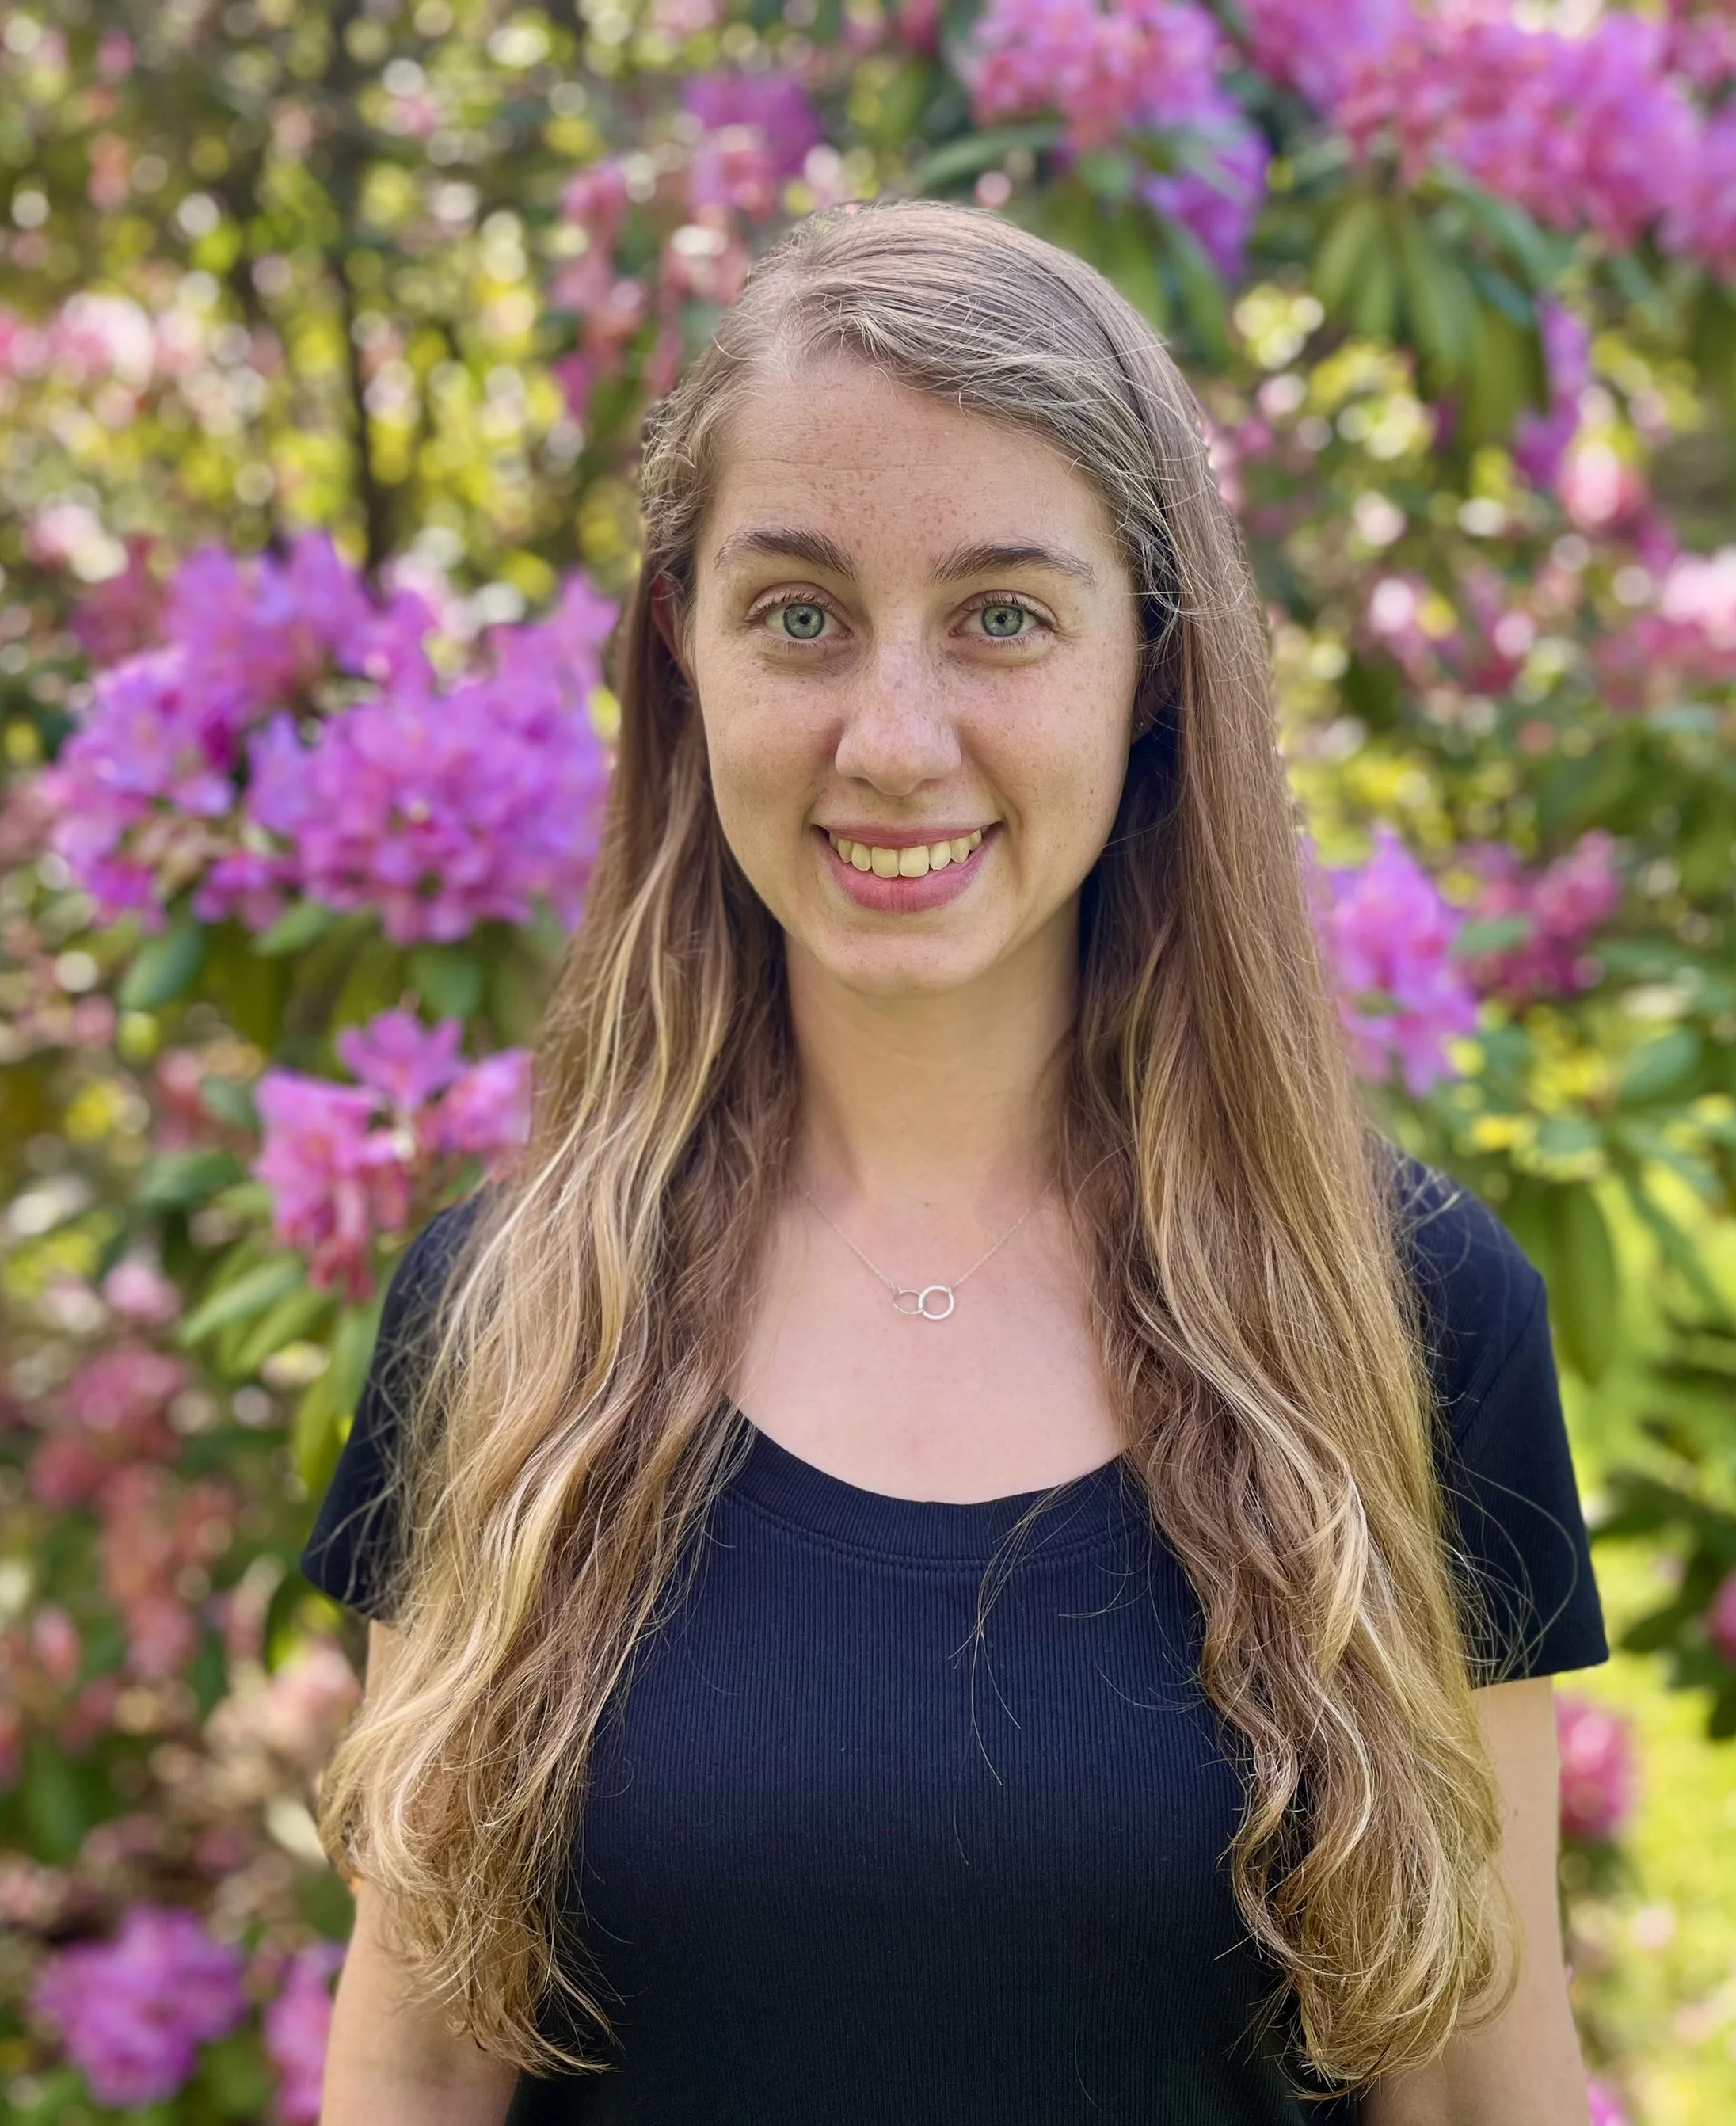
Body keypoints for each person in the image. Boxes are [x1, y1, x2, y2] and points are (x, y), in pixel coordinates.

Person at [302, 199, 1609, 2126]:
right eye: (800, 615)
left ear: (1150, 666)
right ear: (683, 654)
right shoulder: (505, 1316)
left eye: (1000, 616)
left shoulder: (1409, 1313)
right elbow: (413, 2068)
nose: (892, 741)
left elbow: (1479, 2090)